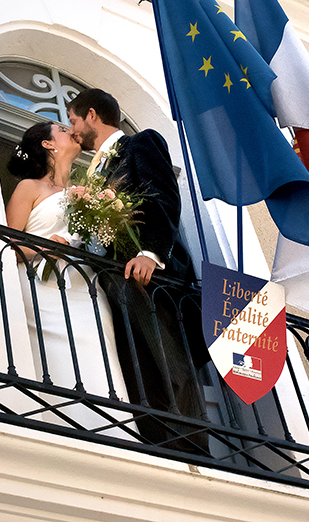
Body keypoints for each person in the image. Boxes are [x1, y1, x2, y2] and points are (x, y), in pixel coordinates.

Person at [66, 88, 208, 454]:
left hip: (149, 276)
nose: (73, 130)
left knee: (169, 361)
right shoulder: (93, 171)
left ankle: (190, 446)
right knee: (138, 364)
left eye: (74, 120)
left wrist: (151, 252)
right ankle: (155, 439)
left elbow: (162, 195)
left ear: (93, 115)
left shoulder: (139, 144)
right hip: (113, 281)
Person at [4, 121, 131, 423]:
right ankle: (56, 422)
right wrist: (45, 245)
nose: (70, 130)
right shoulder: (29, 187)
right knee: (56, 360)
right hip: (43, 287)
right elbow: (8, 245)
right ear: (48, 144)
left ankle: (110, 428)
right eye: (61, 128)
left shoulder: (87, 191)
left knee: (98, 349)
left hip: (85, 286)